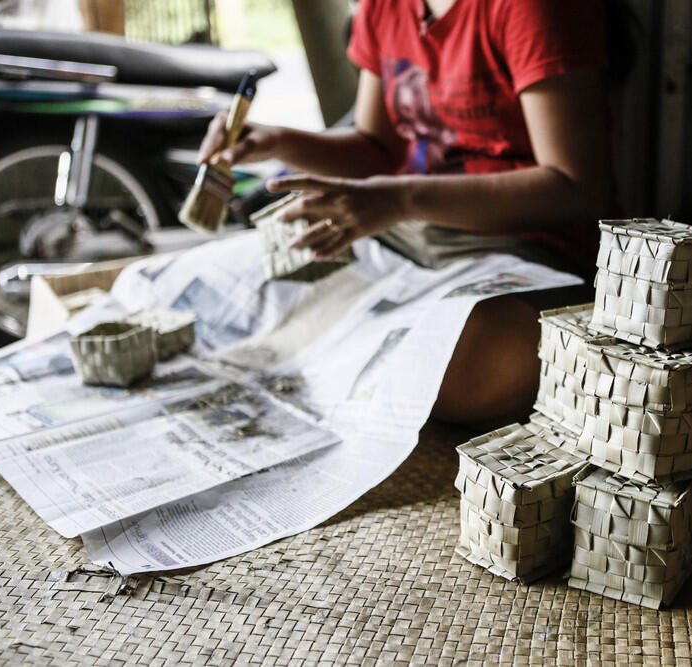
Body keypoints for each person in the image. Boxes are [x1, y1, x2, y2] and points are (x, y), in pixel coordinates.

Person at [198, 0, 614, 427]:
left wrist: (400, 200)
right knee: (222, 285)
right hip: (403, 230)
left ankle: (337, 357)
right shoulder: (384, 7)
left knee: (476, 365)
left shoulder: (529, 9)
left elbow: (575, 187)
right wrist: (279, 141)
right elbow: (377, 149)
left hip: (520, 245)